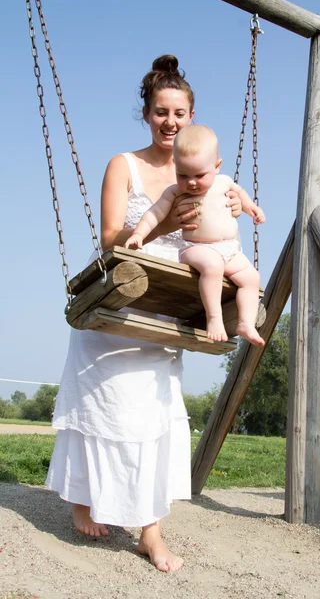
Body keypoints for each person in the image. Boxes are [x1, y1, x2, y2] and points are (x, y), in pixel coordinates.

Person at [46, 55, 242, 574]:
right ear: (148, 113)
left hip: (164, 311)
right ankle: (84, 498)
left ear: (192, 115)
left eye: (179, 113)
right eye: (160, 112)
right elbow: (111, 238)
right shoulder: (123, 165)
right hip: (120, 302)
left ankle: (149, 532)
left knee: (153, 415)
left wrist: (231, 213)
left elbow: (215, 236)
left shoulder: (198, 172)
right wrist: (160, 226)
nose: (170, 122)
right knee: (105, 407)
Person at [124, 125, 266, 347]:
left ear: (217, 166)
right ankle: (214, 318)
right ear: (176, 168)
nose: (191, 182)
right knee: (213, 266)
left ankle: (245, 323)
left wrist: (252, 209)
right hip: (196, 249)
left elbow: (242, 196)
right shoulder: (174, 191)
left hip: (229, 249)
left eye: (199, 175)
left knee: (252, 278)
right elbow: (154, 214)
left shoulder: (224, 182)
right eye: (183, 175)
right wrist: (139, 234)